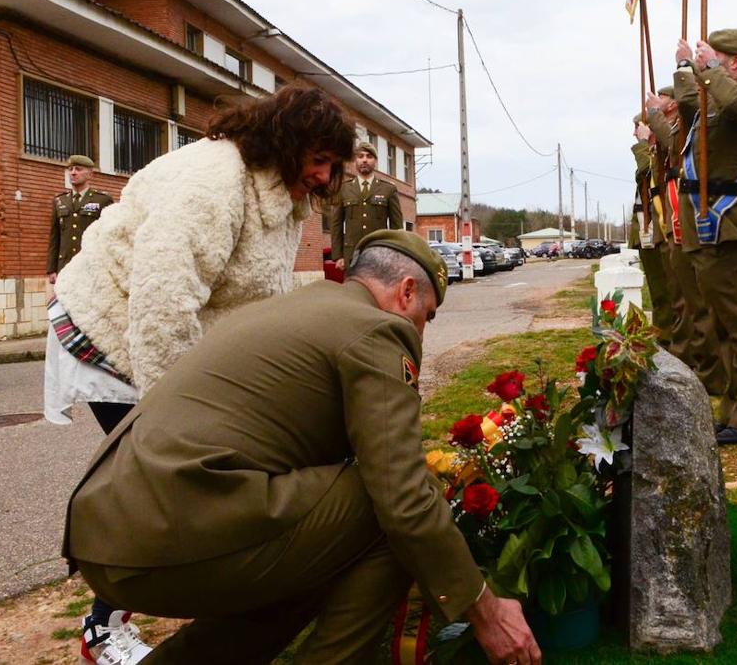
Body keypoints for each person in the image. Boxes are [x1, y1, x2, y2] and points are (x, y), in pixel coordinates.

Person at [63, 230, 541, 664]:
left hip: (107, 530)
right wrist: (484, 608)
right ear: (407, 292)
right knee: (388, 512)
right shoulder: (377, 329)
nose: (421, 332)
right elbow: (403, 496)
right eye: (426, 317)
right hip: (174, 527)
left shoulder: (295, 307)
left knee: (319, 549)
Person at [44, 85, 355, 664]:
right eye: (318, 159)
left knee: (204, 473)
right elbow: (162, 305)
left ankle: (225, 593)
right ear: (284, 144)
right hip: (111, 331)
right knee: (153, 488)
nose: (323, 175)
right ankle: (100, 628)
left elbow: (253, 295)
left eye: (332, 165)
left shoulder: (282, 198)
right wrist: (181, 422)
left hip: (168, 328)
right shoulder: (211, 184)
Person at [672, 29, 737, 446]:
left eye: (717, 57)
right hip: (706, 223)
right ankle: (735, 411)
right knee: (723, 326)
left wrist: (708, 68)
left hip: (728, 222)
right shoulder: (718, 98)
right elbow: (691, 102)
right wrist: (684, 67)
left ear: (733, 62)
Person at [643, 86, 729, 397]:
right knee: (681, 303)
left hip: (687, 219)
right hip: (674, 220)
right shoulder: (677, 127)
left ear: (675, 103)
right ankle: (685, 364)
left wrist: (653, 125)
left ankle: (705, 372)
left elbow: (674, 148)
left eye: (663, 99)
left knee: (695, 305)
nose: (658, 104)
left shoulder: (687, 126)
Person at [630, 114, 676, 344]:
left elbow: (649, 173)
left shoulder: (665, 150)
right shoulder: (654, 152)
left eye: (638, 128)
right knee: (659, 297)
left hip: (661, 228)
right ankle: (664, 344)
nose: (635, 133)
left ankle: (669, 346)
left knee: (668, 298)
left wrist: (642, 145)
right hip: (647, 230)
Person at [330, 141, 404, 271]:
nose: (364, 160)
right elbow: (336, 224)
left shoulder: (388, 189)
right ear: (355, 161)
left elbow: (396, 227)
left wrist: (395, 255)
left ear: (375, 161)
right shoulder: (344, 189)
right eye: (361, 156)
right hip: (351, 255)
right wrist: (338, 256)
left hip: (380, 254)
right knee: (352, 290)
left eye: (369, 156)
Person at [47, 154, 113, 285]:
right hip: (65, 266)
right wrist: (51, 269)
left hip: (91, 265)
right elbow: (55, 237)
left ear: (90, 174)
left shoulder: (102, 200)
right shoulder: (60, 200)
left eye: (78, 169)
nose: (73, 173)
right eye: (70, 169)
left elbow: (109, 236)